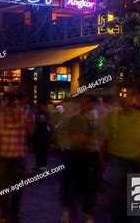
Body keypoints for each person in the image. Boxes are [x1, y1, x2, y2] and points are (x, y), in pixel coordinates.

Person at [103, 89, 140, 223]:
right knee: (119, 192)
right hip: (117, 159)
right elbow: (105, 139)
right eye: (125, 96)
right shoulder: (112, 117)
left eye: (130, 96)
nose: (127, 100)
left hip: (135, 159)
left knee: (129, 193)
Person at [60, 95, 100, 223]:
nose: (86, 105)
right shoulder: (76, 118)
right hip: (75, 154)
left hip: (87, 154)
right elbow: (75, 137)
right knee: (72, 184)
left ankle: (85, 214)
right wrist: (90, 140)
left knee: (86, 186)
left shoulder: (93, 117)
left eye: (88, 102)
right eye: (83, 101)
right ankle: (69, 213)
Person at [0, 93, 30, 223]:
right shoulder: (23, 113)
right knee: (17, 187)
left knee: (3, 187)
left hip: (3, 154)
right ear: (16, 100)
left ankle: (4, 213)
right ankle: (15, 213)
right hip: (18, 155)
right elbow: (29, 131)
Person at [32, 100, 51, 170]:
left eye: (40, 105)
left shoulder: (46, 113)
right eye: (38, 105)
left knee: (43, 149)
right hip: (37, 133)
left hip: (43, 133)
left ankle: (43, 164)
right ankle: (37, 164)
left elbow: (49, 122)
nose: (39, 107)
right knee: (37, 149)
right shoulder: (36, 113)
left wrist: (45, 121)